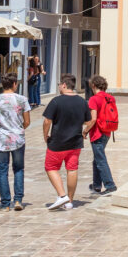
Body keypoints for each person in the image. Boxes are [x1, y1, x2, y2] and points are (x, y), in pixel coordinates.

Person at [41, 74, 94, 211]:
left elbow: (47, 121)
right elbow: (89, 121)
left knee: (51, 167)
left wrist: (45, 135)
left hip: (58, 142)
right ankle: (69, 201)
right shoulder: (82, 102)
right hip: (75, 143)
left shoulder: (56, 101)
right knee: (72, 169)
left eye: (59, 84)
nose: (59, 86)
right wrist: (84, 131)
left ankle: (62, 195)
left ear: (64, 85)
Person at [0, 73, 31, 210]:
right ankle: (18, 200)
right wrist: (18, 129)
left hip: (1, 139)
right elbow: (27, 121)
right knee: (18, 169)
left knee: (2, 170)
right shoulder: (22, 99)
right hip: (18, 138)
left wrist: (0, 130)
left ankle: (5, 203)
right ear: (14, 84)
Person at [86, 75, 118, 196]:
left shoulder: (94, 99)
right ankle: (97, 185)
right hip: (108, 131)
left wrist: (85, 131)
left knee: (100, 160)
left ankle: (110, 185)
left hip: (97, 132)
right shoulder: (110, 98)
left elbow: (93, 119)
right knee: (97, 159)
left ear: (93, 86)